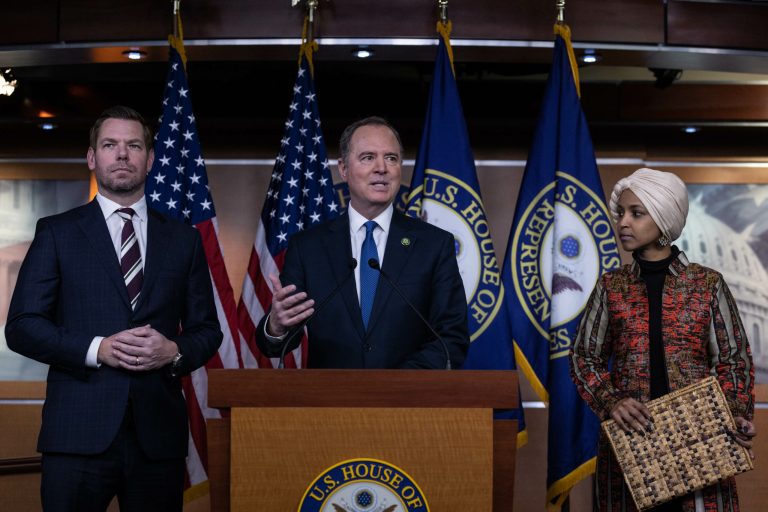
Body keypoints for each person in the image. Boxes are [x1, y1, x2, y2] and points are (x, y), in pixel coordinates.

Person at [5, 106, 223, 512]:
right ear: (92, 158)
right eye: (110, 145)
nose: (122, 154)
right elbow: (21, 326)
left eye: (133, 145)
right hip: (76, 436)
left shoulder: (183, 240)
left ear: (150, 158)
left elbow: (207, 331)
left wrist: (172, 351)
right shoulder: (57, 232)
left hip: (157, 439)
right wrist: (97, 349)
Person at [570, 168, 756, 511]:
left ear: (663, 220)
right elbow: (584, 357)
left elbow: (734, 359)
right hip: (630, 442)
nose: (623, 222)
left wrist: (734, 414)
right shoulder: (612, 286)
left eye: (636, 213)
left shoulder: (706, 284)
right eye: (621, 213)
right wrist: (612, 402)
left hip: (699, 441)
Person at [256, 116, 469, 368]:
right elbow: (275, 344)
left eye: (391, 158)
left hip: (409, 402)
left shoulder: (434, 245)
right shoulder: (308, 247)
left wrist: (394, 386)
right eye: (368, 157)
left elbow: (452, 338)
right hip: (328, 401)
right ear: (343, 169)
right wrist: (276, 325)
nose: (382, 168)